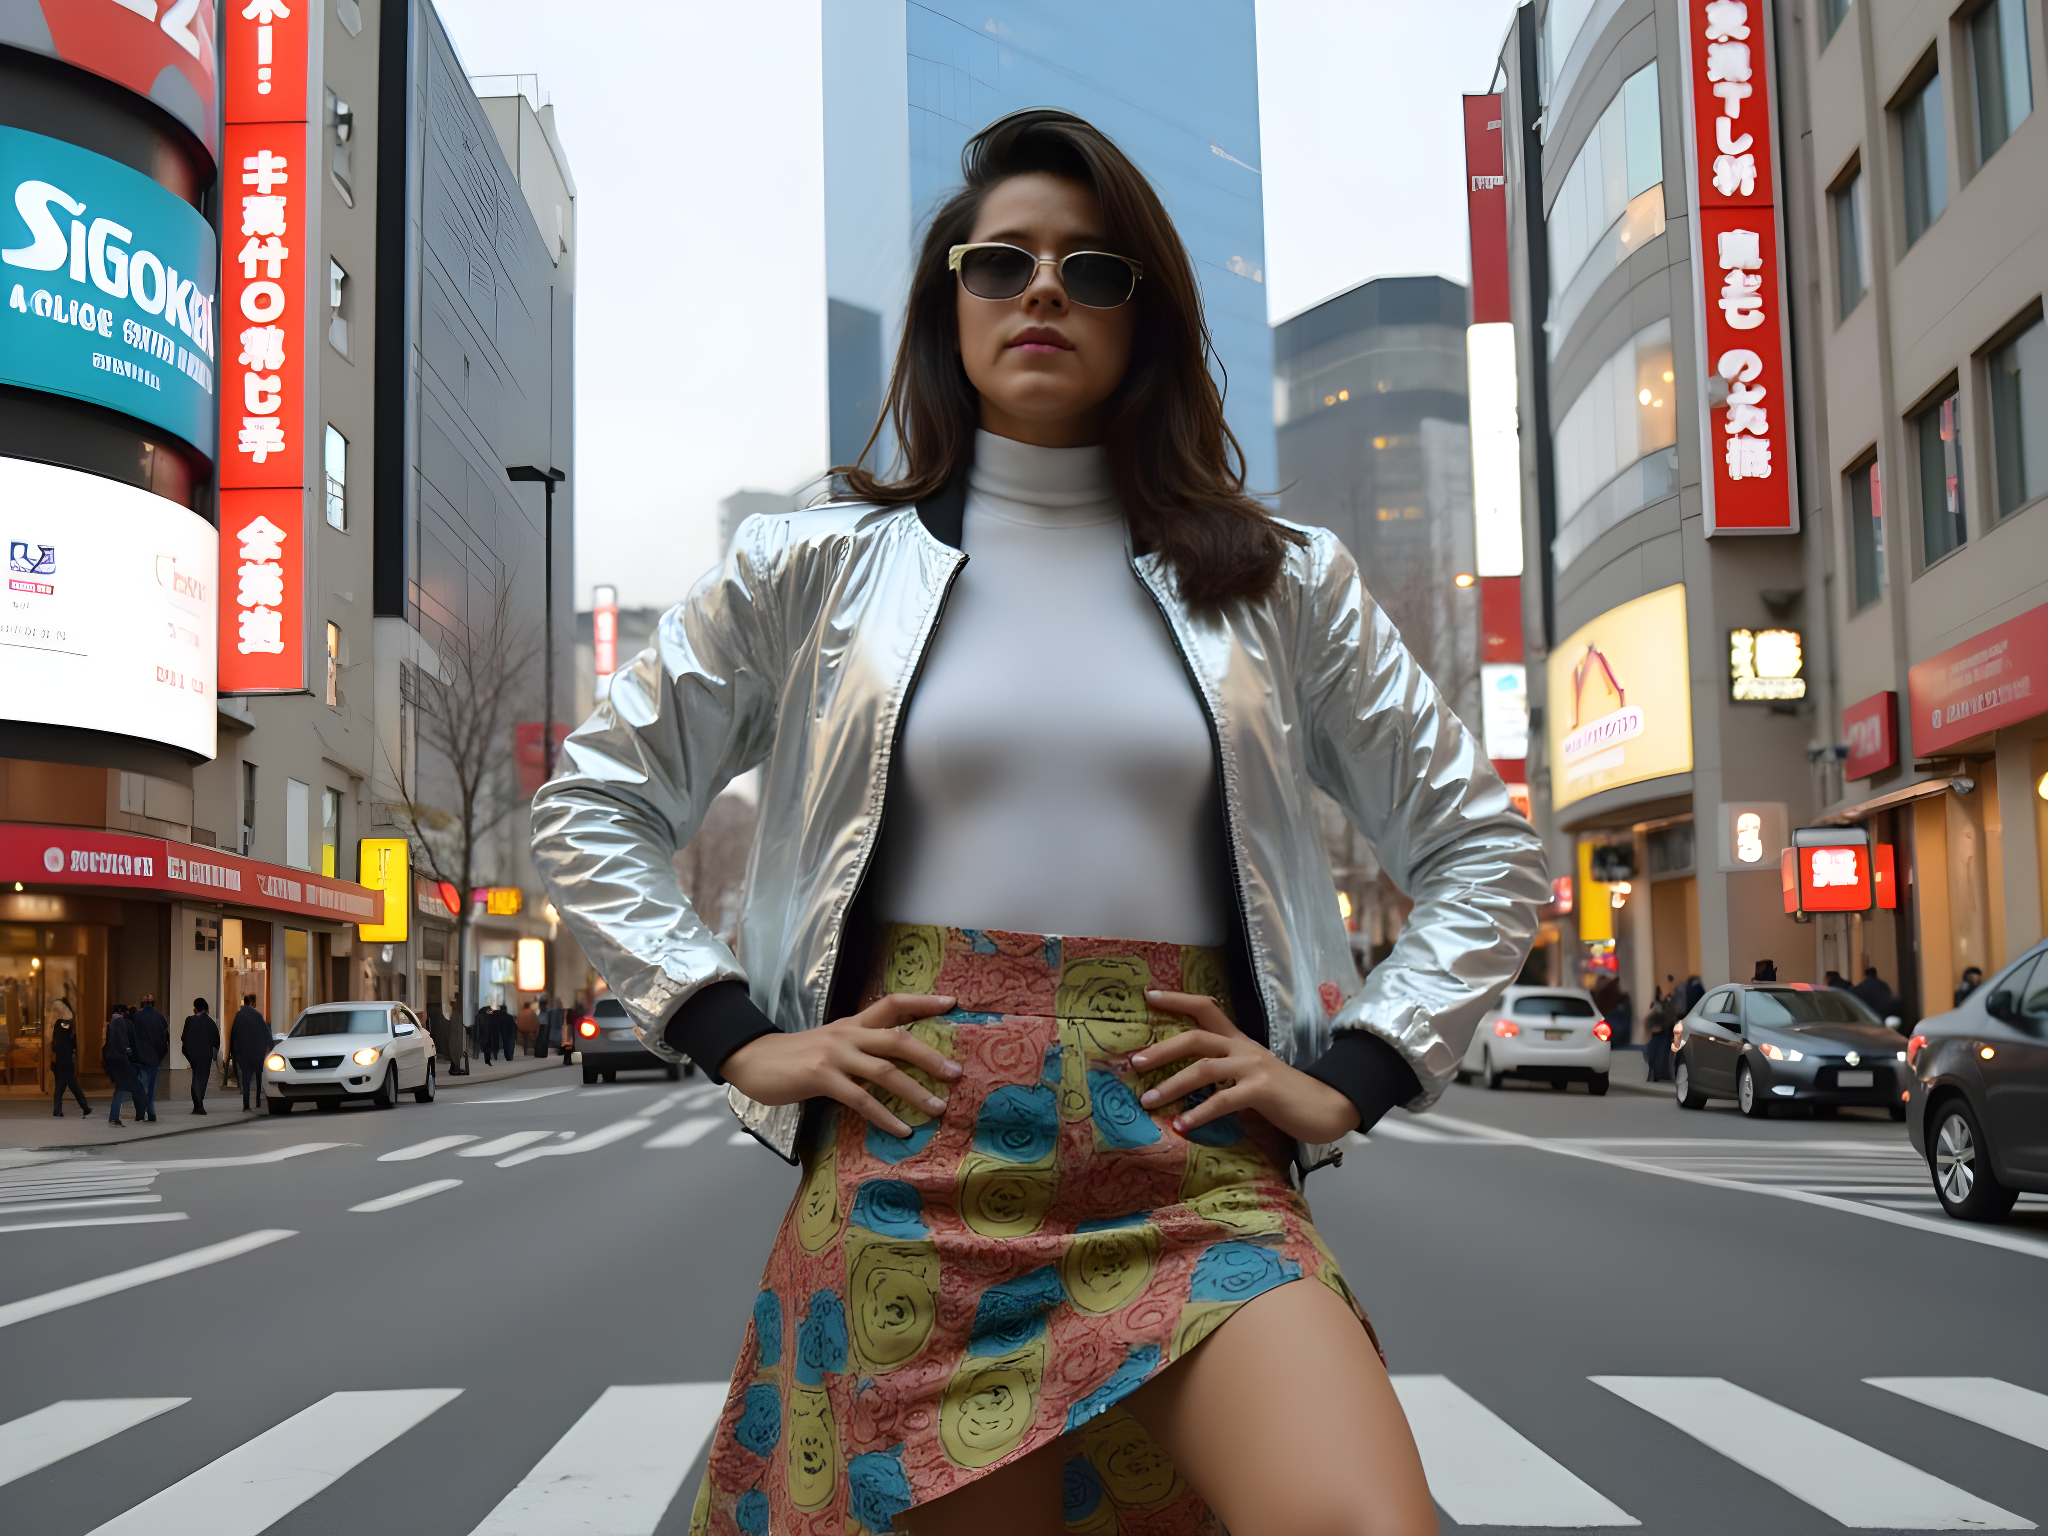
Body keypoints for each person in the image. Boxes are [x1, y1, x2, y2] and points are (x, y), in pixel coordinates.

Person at [532, 110, 1546, 1536]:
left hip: (1193, 1159)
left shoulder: (1280, 582)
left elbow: (1486, 845)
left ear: (1150, 317)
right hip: (914, 1157)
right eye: (1001, 262)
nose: (1045, 292)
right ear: (952, 302)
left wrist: (1363, 1070)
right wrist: (736, 1036)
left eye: (1094, 268)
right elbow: (591, 804)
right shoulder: (811, 569)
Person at [102, 1005, 145, 1127]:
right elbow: (123, 1042)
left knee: (120, 1089)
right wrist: (130, 1054)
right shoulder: (120, 1022)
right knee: (137, 1088)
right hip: (122, 1060)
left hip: (114, 1059)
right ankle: (140, 1116)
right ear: (123, 1012)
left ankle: (114, 1117)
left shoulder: (112, 1023)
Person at [229, 994, 272, 1111]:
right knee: (258, 1077)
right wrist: (270, 1046)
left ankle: (246, 1105)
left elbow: (233, 1034)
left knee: (246, 1080)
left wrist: (233, 1052)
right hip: (257, 1052)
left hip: (243, 1053)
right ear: (252, 1002)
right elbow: (266, 1031)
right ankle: (257, 1101)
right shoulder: (257, 1015)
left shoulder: (239, 1015)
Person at [131, 994, 169, 1122]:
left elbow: (133, 1037)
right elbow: (165, 1039)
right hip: (154, 1059)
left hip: (140, 1058)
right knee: (152, 1089)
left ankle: (140, 1113)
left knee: (141, 1087)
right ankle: (151, 1110)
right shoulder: (159, 1017)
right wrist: (160, 1055)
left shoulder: (137, 1017)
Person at [181, 997, 220, 1113]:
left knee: (196, 1077)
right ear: (206, 1009)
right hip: (205, 1055)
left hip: (192, 1054)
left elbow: (183, 1037)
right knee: (202, 1079)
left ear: (195, 1009)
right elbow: (216, 1040)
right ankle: (199, 1105)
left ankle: (197, 1104)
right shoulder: (210, 1022)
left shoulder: (189, 1020)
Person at [50, 1010, 89, 1117]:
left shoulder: (57, 1038)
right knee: (75, 1089)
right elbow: (67, 1054)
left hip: (59, 1068)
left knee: (59, 1090)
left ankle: (57, 1111)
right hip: (66, 1068)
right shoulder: (65, 1039)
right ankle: (85, 1107)